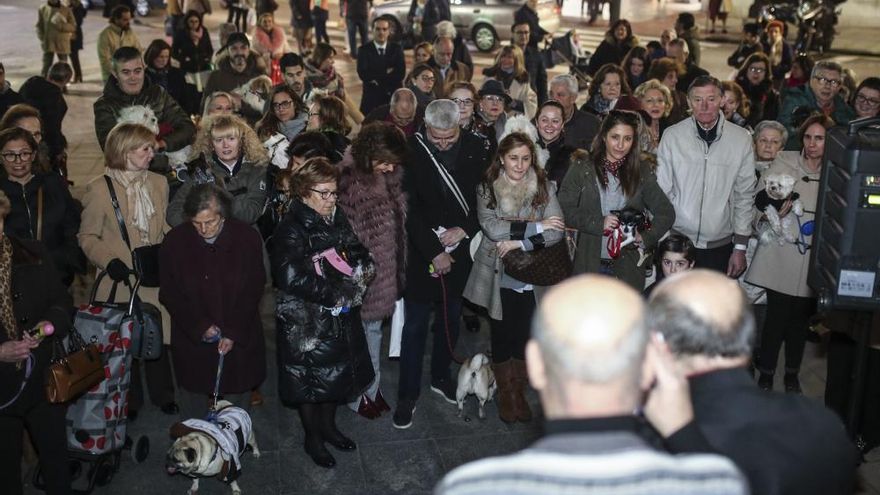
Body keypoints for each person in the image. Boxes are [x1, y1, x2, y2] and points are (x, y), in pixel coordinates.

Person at [437, 275, 749, 495]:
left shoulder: (469, 487)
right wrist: (682, 431)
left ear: (538, 366)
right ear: (645, 371)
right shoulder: (714, 483)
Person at [647, 270, 859, 495]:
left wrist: (682, 439)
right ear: (747, 338)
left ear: (661, 346)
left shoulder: (652, 447)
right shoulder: (823, 424)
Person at [393, 100, 491, 429]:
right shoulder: (412, 149)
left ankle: (440, 376)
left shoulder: (478, 146)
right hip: (423, 251)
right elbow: (407, 207)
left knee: (450, 321)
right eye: (437, 138)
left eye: (450, 138)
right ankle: (407, 393)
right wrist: (435, 250)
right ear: (426, 128)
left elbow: (488, 197)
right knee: (415, 326)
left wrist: (466, 228)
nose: (444, 144)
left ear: (459, 126)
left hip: (462, 250)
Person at [272, 157, 375, 468]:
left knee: (336, 376)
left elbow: (354, 247)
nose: (332, 200)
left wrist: (364, 266)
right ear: (304, 192)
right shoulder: (291, 227)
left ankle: (329, 428)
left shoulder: (334, 214)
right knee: (310, 384)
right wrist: (337, 292)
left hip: (339, 315)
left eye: (334, 193)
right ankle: (312, 438)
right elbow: (289, 278)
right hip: (308, 320)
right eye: (324, 193)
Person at [463, 131, 565, 423]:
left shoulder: (544, 185)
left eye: (525, 158)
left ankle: (517, 390)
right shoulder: (487, 187)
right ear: (502, 159)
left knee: (525, 335)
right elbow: (492, 228)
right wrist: (536, 226)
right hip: (499, 274)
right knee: (502, 334)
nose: (520, 165)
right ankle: (506, 393)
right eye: (513, 159)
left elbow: (556, 231)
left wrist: (520, 242)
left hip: (534, 274)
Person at [77, 122, 177, 419]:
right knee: (124, 344)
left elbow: (163, 227)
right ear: (124, 152)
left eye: (151, 147)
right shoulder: (98, 190)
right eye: (145, 148)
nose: (152, 153)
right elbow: (87, 237)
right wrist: (109, 261)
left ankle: (164, 396)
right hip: (119, 279)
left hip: (153, 275)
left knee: (158, 337)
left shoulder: (159, 183)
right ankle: (129, 401)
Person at [159, 184, 266, 420]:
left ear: (223, 215)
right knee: (193, 399)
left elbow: (254, 287)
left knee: (237, 400)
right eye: (197, 223)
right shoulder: (175, 242)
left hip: (238, 334)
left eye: (210, 222)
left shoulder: (246, 238)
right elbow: (169, 292)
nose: (203, 229)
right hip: (193, 338)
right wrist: (200, 326)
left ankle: (235, 439)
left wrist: (232, 332)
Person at [746, 114, 833, 393]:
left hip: (811, 255)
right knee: (776, 318)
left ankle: (792, 374)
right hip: (781, 252)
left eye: (819, 138)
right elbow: (759, 200)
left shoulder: (837, 168)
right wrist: (770, 209)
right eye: (808, 137)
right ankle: (767, 374)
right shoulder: (785, 160)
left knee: (800, 320)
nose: (812, 144)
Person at [0, 188, 74, 495]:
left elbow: (62, 302)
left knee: (56, 458)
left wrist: (49, 325)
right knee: (5, 469)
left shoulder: (34, 251)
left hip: (41, 377)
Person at [337, 123, 408, 419]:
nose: (390, 167)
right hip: (361, 277)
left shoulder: (388, 176)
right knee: (357, 338)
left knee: (374, 334)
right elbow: (344, 238)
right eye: (385, 160)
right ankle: (358, 394)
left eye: (393, 161)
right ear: (369, 154)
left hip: (385, 273)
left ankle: (372, 388)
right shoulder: (351, 182)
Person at [559, 110, 674, 290]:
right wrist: (598, 223)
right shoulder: (582, 167)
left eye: (627, 139)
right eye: (615, 137)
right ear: (604, 136)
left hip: (627, 267)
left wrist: (645, 237)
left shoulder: (641, 171)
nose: (620, 145)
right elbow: (564, 210)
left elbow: (666, 213)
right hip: (588, 263)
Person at [656, 76, 757, 276]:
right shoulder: (672, 136)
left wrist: (740, 247)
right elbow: (661, 191)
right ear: (688, 102)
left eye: (711, 99)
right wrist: (662, 238)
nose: (704, 106)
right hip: (677, 242)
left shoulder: (741, 139)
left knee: (712, 306)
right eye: (697, 99)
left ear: (722, 100)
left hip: (720, 245)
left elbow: (744, 195)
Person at [0, 128, 82, 287]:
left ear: (34, 155)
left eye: (24, 153)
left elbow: (72, 225)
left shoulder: (53, 184)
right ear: (1, 158)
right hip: (10, 282)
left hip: (55, 278)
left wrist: (65, 262)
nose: (18, 161)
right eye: (10, 155)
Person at [93, 47, 196, 159]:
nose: (133, 78)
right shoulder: (105, 106)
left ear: (144, 68)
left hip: (170, 166)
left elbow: (187, 128)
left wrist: (161, 144)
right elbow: (113, 150)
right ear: (115, 73)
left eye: (137, 71)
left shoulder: (158, 94)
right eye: (126, 72)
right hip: (130, 173)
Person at [168, 114, 269, 227]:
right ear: (211, 144)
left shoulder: (256, 169)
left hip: (244, 237)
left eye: (231, 139)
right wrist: (200, 224)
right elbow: (173, 213)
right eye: (219, 140)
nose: (225, 145)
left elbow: (252, 213)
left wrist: (219, 193)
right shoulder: (202, 170)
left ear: (241, 141)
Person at [779, 60, 855, 149]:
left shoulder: (844, 109)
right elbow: (784, 136)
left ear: (839, 86)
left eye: (834, 82)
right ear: (811, 80)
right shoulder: (795, 100)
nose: (827, 86)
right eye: (822, 80)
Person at [201, 33, 269, 124]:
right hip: (222, 129)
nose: (239, 52)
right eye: (234, 48)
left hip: (253, 129)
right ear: (228, 51)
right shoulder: (216, 76)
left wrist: (242, 105)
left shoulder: (260, 77)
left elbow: (268, 111)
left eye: (243, 48)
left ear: (249, 50)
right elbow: (204, 108)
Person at [18, 63, 72, 173]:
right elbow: (52, 129)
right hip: (39, 143)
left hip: (15, 137)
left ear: (49, 74)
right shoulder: (57, 100)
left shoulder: (30, 83)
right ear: (66, 80)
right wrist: (58, 150)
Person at [357, 17, 406, 116]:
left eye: (384, 29)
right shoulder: (364, 50)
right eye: (378, 29)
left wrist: (376, 76)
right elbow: (363, 74)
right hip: (371, 101)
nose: (381, 32)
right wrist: (386, 72)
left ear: (389, 31)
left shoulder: (396, 49)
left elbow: (400, 73)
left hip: (392, 100)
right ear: (372, 31)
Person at [305, 43, 363, 125]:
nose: (333, 61)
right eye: (330, 58)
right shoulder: (305, 77)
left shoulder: (334, 76)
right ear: (321, 58)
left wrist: (362, 121)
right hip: (315, 121)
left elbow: (345, 98)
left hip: (334, 120)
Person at [255, 84, 309, 168]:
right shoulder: (265, 128)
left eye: (285, 104)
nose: (281, 109)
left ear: (294, 104)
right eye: (276, 105)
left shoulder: (309, 128)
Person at [171, 11, 214, 109]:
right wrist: (184, 59)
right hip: (188, 70)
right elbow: (173, 52)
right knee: (189, 94)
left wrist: (206, 58)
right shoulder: (181, 33)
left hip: (202, 69)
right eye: (191, 21)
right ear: (186, 22)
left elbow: (209, 49)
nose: (194, 24)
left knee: (202, 94)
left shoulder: (204, 32)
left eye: (196, 21)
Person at [548, 74, 601, 151]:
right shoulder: (538, 123)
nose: (554, 99)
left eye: (560, 95)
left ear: (573, 98)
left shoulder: (592, 124)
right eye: (551, 94)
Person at [483, 46, 538, 119]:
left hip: (514, 121)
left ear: (517, 60)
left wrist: (513, 104)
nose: (506, 60)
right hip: (491, 120)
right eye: (503, 56)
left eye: (510, 57)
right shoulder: (490, 76)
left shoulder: (522, 79)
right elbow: (481, 98)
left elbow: (531, 103)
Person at [97, 6, 143, 83]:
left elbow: (139, 52)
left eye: (129, 19)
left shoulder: (130, 33)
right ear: (116, 19)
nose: (128, 22)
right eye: (125, 20)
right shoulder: (105, 36)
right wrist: (119, 74)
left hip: (130, 76)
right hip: (112, 78)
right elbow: (105, 61)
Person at [534, 100, 575, 185]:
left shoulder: (573, 156)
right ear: (537, 122)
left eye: (555, 121)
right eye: (544, 120)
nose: (549, 125)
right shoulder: (526, 151)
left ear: (562, 124)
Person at [144, 40, 190, 115]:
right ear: (152, 56)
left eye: (166, 57)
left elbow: (185, 99)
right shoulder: (144, 76)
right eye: (161, 57)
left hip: (175, 115)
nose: (164, 60)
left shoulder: (176, 74)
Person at [734, 52, 780, 128]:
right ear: (746, 69)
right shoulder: (736, 91)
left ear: (766, 73)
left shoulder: (772, 96)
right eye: (752, 69)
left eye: (760, 70)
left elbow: (772, 122)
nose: (756, 73)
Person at [35, 0, 76, 78]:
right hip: (48, 42)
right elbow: (39, 25)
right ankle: (43, 85)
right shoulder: (43, 9)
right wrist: (42, 38)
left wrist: (61, 25)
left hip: (62, 43)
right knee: (46, 66)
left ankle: (63, 86)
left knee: (63, 67)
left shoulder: (66, 9)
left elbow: (73, 26)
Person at [306, 94, 351, 162]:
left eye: (312, 114)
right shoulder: (348, 143)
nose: (307, 119)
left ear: (326, 116)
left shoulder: (319, 145)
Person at [511, 21, 547, 106]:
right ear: (513, 34)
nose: (523, 36)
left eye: (526, 32)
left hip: (530, 103)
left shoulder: (536, 55)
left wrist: (543, 105)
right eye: (519, 32)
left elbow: (542, 83)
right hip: (511, 103)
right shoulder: (505, 55)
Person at [634, 79, 673, 153]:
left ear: (666, 104)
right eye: (649, 101)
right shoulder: (633, 130)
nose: (656, 105)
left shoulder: (670, 130)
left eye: (660, 100)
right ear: (639, 104)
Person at [646, 57, 688, 123]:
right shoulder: (647, 99)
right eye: (670, 77)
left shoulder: (682, 98)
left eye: (676, 76)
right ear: (659, 78)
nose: (675, 80)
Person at [762, 20, 793, 87]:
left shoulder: (785, 46)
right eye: (771, 31)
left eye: (776, 31)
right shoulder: (764, 45)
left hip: (778, 78)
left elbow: (789, 64)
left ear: (781, 33)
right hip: (764, 76)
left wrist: (778, 70)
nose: (773, 34)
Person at [69, 0, 87, 84]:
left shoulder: (77, 8)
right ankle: (78, 76)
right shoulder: (77, 6)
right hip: (74, 34)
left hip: (74, 35)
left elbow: (77, 22)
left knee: (74, 56)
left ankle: (77, 76)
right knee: (74, 56)